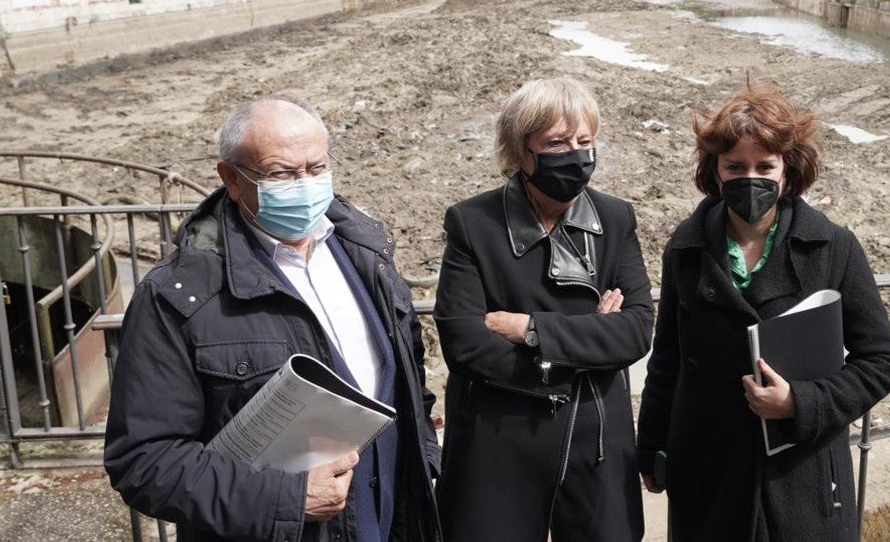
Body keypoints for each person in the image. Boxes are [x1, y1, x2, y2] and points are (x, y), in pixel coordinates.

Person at [104, 95, 441, 542]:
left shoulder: (366, 253)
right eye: (281, 173)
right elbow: (144, 461)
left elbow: (407, 376)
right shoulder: (178, 296)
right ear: (231, 178)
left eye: (317, 168)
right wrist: (285, 499)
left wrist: (426, 458)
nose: (305, 186)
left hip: (389, 518)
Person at [636, 83, 890, 541]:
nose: (750, 177)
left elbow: (881, 362)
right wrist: (652, 449)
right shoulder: (686, 246)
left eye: (765, 166)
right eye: (735, 166)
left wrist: (801, 403)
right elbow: (668, 361)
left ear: (787, 170)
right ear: (715, 172)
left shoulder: (834, 247)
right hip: (707, 470)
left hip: (802, 474)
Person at [434, 77, 653, 541]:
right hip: (498, 445)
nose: (575, 154)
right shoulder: (473, 224)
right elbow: (464, 344)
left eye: (584, 141)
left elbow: (635, 332)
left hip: (595, 444)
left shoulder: (615, 219)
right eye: (557, 142)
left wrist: (530, 328)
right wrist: (589, 341)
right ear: (522, 151)